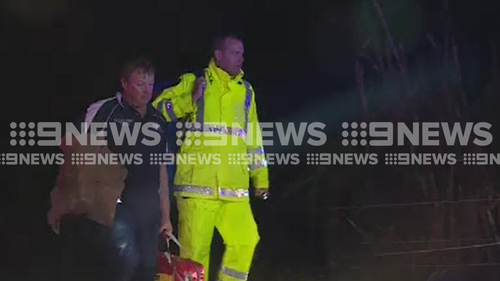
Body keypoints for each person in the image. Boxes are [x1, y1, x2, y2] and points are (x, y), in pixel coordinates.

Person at [153, 35, 269, 281]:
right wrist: (189, 100)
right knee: (195, 258)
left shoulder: (246, 91)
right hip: (197, 190)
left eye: (242, 53)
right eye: (235, 53)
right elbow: (157, 111)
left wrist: (261, 180)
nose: (242, 58)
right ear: (218, 55)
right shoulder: (193, 81)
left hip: (234, 189)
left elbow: (254, 138)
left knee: (246, 240)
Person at [50, 57, 172, 281]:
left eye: (150, 84)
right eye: (140, 84)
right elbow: (67, 142)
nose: (147, 91)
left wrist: (166, 217)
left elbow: (161, 168)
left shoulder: (158, 119)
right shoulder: (105, 110)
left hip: (148, 210)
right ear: (124, 83)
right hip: (114, 206)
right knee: (125, 260)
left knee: (146, 270)